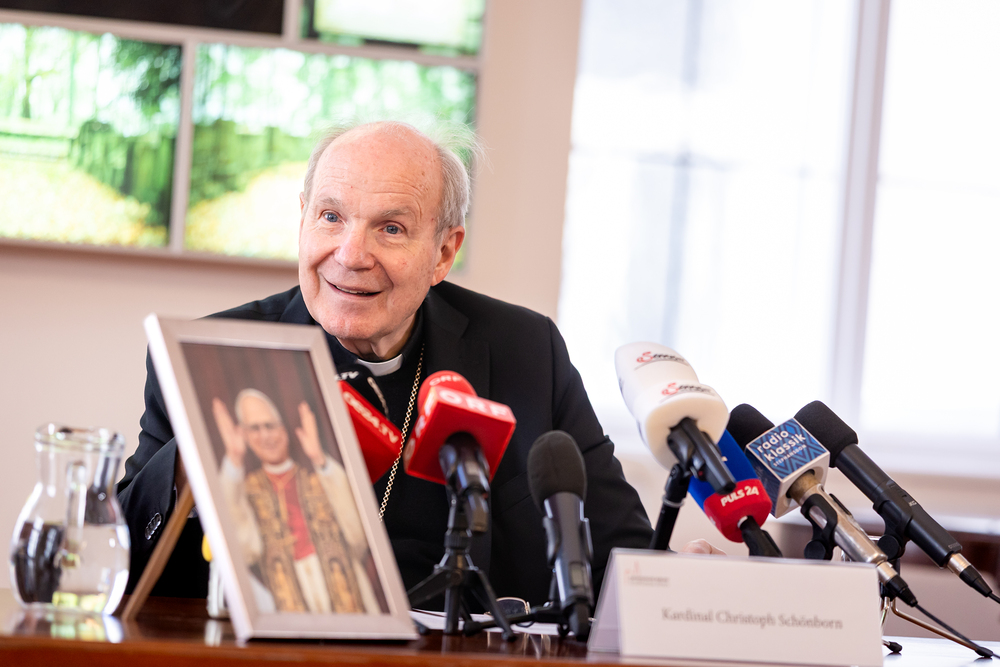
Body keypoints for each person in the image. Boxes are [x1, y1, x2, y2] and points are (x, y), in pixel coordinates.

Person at [117, 120, 698, 606]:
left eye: (390, 228)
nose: (351, 254)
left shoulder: (525, 351)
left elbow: (619, 553)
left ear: (444, 252)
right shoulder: (214, 354)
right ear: (303, 220)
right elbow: (125, 558)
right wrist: (195, 453)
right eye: (331, 217)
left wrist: (681, 582)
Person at [212, 389, 380, 614]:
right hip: (287, 597)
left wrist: (320, 459)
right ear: (244, 435)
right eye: (255, 428)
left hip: (346, 591)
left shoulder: (320, 477)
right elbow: (246, 550)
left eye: (270, 425)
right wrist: (234, 459)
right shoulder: (245, 490)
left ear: (284, 429)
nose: (265, 436)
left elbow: (359, 538)